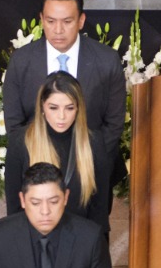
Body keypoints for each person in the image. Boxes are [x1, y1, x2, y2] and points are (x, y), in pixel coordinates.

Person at [3, 0, 125, 268]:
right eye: (51, 21)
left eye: (67, 21)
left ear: (81, 21)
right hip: (39, 161)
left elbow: (114, 123)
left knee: (93, 238)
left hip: (89, 164)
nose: (58, 30)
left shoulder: (104, 61)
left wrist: (92, 156)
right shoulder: (22, 62)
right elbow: (14, 123)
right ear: (41, 20)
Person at [7, 72, 112, 234]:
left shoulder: (93, 143)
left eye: (69, 108)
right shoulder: (21, 142)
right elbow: (14, 209)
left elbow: (100, 211)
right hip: (35, 243)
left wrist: (97, 253)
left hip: (80, 243)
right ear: (42, 106)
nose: (61, 117)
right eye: (53, 108)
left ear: (78, 108)